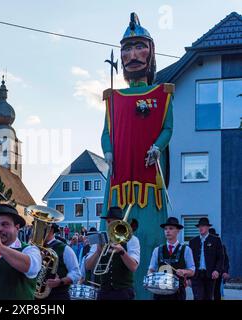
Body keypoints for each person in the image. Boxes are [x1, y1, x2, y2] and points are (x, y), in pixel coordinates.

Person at [100, 12, 174, 299]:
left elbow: (168, 128)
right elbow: (107, 132)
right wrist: (107, 151)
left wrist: (158, 147)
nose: (132, 55)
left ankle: (147, 291)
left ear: (151, 52)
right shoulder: (113, 98)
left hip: (148, 178)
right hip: (119, 177)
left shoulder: (162, 93)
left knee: (149, 234)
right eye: (126, 49)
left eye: (139, 47)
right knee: (114, 231)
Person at [85, 207, 140, 300]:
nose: (109, 225)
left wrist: (122, 252)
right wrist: (98, 251)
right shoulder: (100, 238)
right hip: (104, 291)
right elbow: (88, 266)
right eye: (108, 221)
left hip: (124, 291)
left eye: (113, 222)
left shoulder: (132, 239)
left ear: (120, 222)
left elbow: (133, 267)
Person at [147, 217, 195, 300]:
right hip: (160, 292)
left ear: (178, 231)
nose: (167, 231)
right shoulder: (157, 250)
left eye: (171, 228)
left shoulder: (186, 250)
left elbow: (192, 271)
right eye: (165, 229)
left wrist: (184, 271)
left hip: (178, 293)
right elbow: (151, 269)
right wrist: (150, 276)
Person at [36, 223, 81, 300]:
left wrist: (60, 281)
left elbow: (76, 273)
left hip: (58, 296)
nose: (36, 231)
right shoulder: (33, 248)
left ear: (51, 230)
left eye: (39, 228)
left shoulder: (65, 249)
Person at [189, 218, 224, 300]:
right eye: (199, 226)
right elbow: (189, 260)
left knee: (208, 297)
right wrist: (188, 277)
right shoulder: (193, 241)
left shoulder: (216, 240)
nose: (201, 228)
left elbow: (220, 258)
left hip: (210, 275)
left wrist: (217, 270)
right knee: (198, 297)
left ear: (208, 227)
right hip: (196, 275)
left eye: (203, 226)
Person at [209, 228, 230, 300]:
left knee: (217, 291)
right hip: (206, 273)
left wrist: (225, 271)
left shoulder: (221, 246)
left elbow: (225, 260)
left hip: (218, 272)